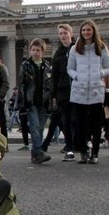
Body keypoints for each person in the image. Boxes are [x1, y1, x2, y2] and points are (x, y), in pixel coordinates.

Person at [67, 20, 109, 164]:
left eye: (89, 30)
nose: (86, 32)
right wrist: (77, 76)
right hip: (79, 90)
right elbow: (70, 68)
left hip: (96, 90)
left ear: (94, 31)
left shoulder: (102, 47)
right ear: (81, 32)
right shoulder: (75, 48)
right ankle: (84, 152)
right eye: (84, 30)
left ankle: (95, 153)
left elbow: (108, 68)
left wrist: (99, 73)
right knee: (79, 124)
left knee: (96, 125)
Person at [17, 38, 52, 164]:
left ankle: (35, 155)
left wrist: (51, 103)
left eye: (38, 50)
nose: (35, 52)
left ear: (42, 51)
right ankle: (39, 151)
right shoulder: (25, 65)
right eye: (33, 50)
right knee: (35, 127)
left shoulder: (48, 67)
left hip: (43, 102)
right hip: (30, 102)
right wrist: (22, 103)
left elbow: (50, 87)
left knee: (41, 128)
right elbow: (21, 84)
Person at [44, 24, 76, 161]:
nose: (63, 36)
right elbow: (54, 76)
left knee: (78, 120)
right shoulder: (58, 53)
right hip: (63, 91)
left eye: (65, 33)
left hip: (77, 88)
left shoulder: (78, 49)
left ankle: (81, 144)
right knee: (67, 121)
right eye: (60, 33)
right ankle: (70, 148)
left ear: (71, 33)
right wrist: (54, 96)